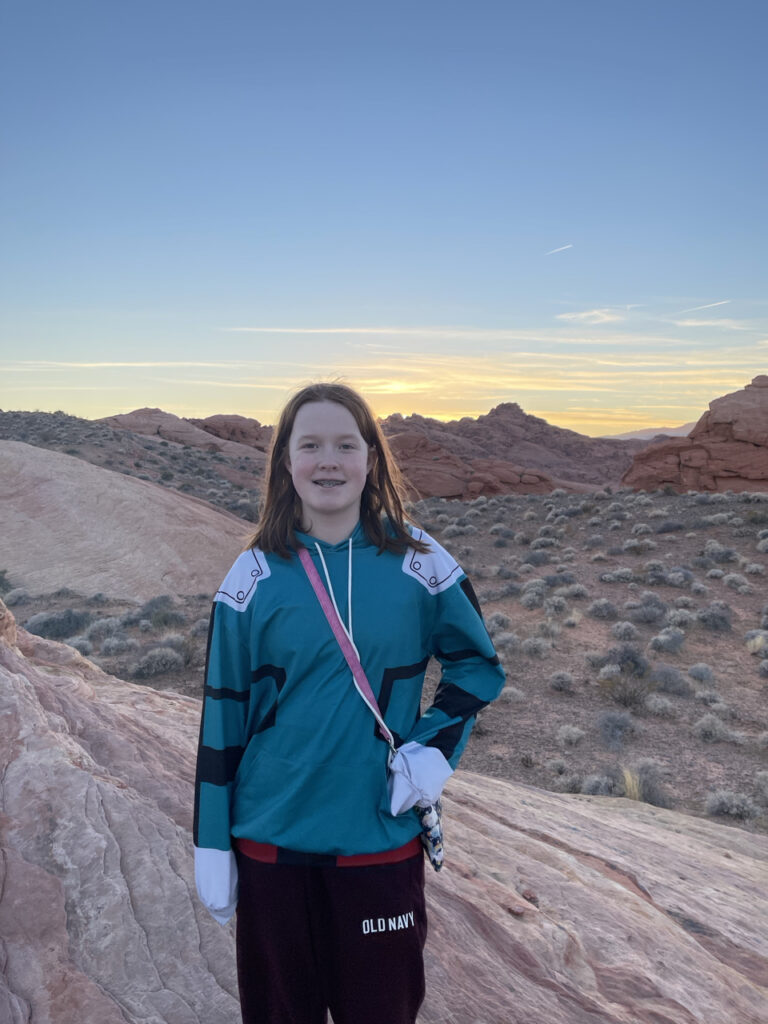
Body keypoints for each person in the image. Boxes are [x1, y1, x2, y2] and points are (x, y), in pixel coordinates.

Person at [193, 381, 505, 1024]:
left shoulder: (422, 563)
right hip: (271, 844)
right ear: (286, 461)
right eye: (309, 445)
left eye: (345, 444)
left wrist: (433, 749)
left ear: (371, 459)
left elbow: (479, 666)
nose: (327, 461)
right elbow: (221, 714)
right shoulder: (249, 577)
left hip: (377, 841)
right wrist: (211, 842)